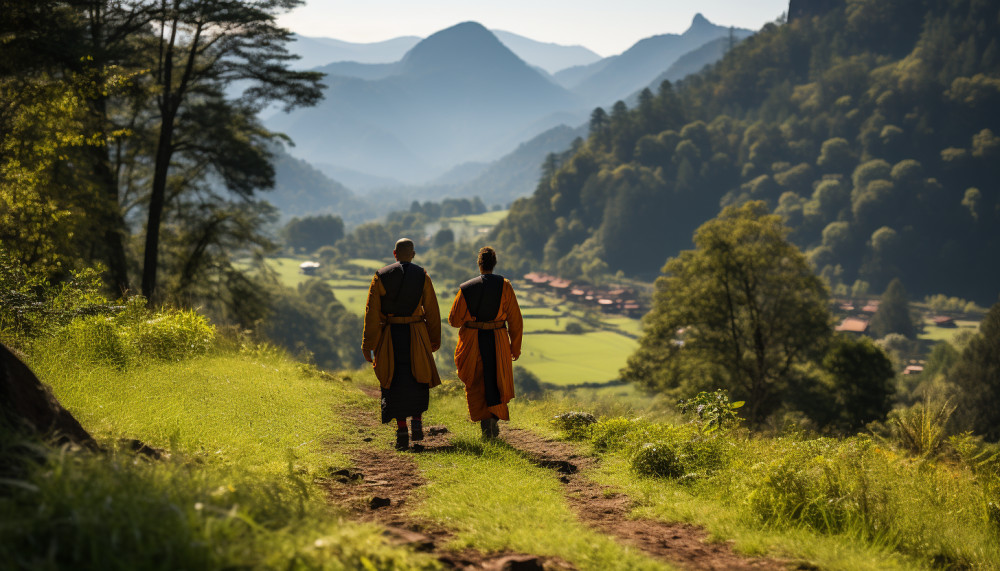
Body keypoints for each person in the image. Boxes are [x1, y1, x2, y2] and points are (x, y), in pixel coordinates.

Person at [362, 238, 441, 450]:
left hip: (390, 335)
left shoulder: (380, 277)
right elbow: (432, 311)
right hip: (417, 334)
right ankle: (417, 421)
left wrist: (368, 344)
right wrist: (434, 339)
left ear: (394, 254)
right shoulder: (422, 276)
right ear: (413, 254)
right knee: (418, 378)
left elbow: (371, 314)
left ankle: (402, 431)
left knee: (394, 381)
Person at [448, 246, 523, 439]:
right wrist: (514, 347)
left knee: (478, 382)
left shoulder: (466, 288)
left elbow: (454, 320)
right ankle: (492, 422)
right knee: (497, 380)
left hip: (473, 341)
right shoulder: (505, 286)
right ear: (494, 263)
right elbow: (515, 320)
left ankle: (486, 427)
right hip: (498, 340)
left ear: (479, 264)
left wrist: (471, 318)